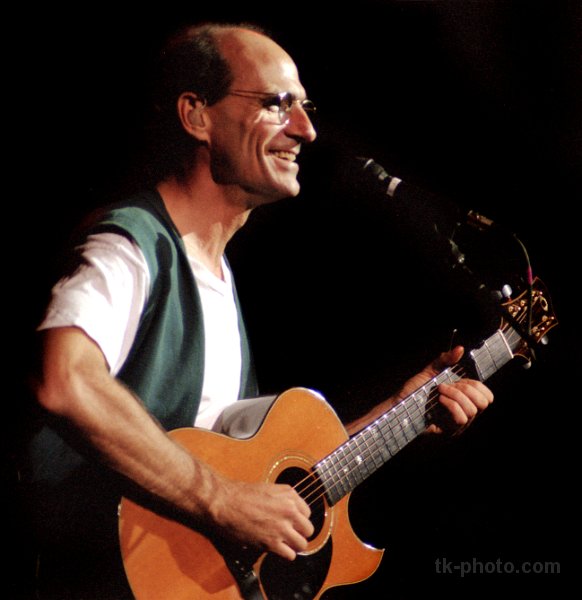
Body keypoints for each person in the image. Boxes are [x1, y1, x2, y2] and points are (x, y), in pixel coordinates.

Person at [20, 22, 493, 599]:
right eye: (277, 104)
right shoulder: (132, 246)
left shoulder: (216, 279)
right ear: (196, 115)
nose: (306, 130)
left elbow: (262, 489)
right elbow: (64, 380)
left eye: (306, 108)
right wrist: (220, 500)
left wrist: (401, 410)